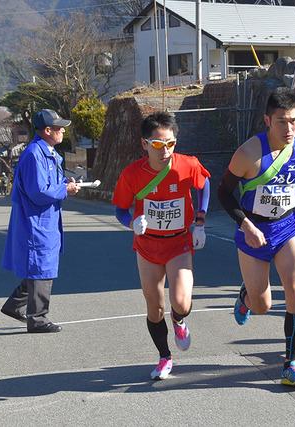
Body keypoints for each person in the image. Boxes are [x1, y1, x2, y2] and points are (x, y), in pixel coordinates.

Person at [217, 87, 295, 387]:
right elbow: (224, 193)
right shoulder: (248, 153)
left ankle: (290, 365)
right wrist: (245, 224)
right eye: (281, 121)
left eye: (294, 121)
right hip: (253, 232)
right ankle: (246, 297)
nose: (289, 128)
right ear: (267, 120)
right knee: (262, 305)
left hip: (287, 228)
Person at [112, 111, 211, 380]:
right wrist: (131, 222)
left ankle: (179, 321)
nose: (164, 150)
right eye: (157, 145)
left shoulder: (187, 165)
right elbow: (120, 209)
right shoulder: (132, 174)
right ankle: (164, 357)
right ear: (145, 144)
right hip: (147, 246)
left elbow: (204, 184)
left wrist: (200, 221)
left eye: (170, 143)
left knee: (181, 301)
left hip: (179, 243)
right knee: (154, 307)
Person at [1, 109, 80, 333]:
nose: (63, 130)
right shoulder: (36, 154)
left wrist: (65, 183)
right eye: (58, 127)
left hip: (42, 219)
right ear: (47, 130)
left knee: (37, 266)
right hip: (36, 220)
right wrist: (65, 189)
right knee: (42, 268)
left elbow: (45, 184)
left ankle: (15, 305)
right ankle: (37, 319)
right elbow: (39, 192)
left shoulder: (44, 151)